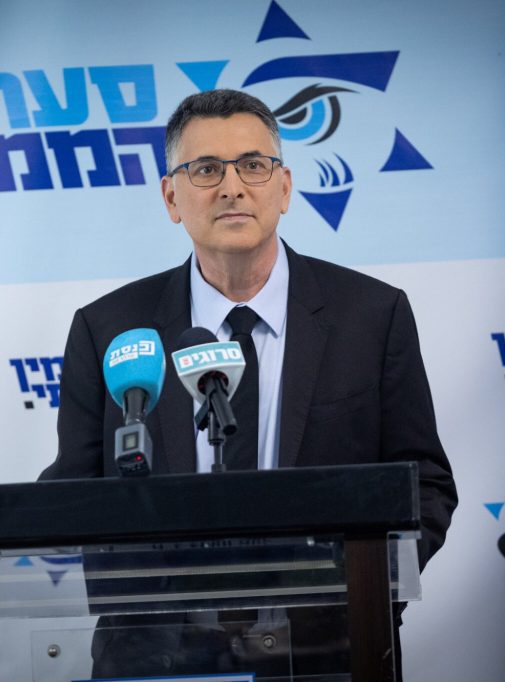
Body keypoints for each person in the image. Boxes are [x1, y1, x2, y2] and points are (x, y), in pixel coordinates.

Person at [40, 88, 457, 679]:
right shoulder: (109, 329)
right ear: (171, 197)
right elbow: (70, 498)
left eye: (253, 166)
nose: (232, 187)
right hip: (158, 661)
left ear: (283, 188)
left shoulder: (372, 316)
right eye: (206, 169)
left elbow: (425, 485)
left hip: (330, 654)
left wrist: (361, 588)